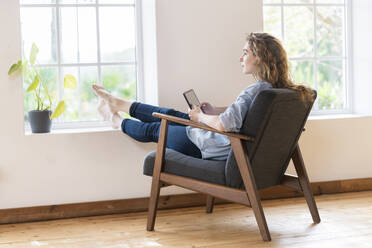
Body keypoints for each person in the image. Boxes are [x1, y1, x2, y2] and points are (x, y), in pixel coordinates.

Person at [92, 32, 315, 161]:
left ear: (260, 57)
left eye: (245, 52)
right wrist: (215, 110)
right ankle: (118, 103)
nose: (241, 57)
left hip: (214, 146)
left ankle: (115, 120)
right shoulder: (277, 91)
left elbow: (223, 125)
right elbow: (251, 116)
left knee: (157, 129)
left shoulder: (255, 91)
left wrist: (200, 118)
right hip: (227, 143)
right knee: (171, 114)